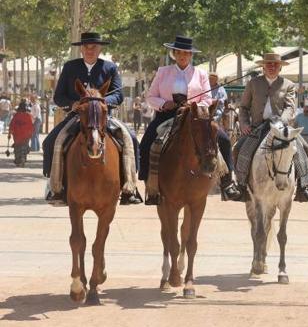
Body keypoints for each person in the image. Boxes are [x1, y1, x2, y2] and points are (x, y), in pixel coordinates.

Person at [43, 32, 142, 204]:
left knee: (131, 138)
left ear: (99, 48)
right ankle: (55, 187)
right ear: (81, 48)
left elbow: (118, 94)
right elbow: (59, 96)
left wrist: (101, 102)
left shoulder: (109, 67)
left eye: (93, 47)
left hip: (104, 117)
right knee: (51, 141)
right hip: (76, 116)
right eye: (86, 47)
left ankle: (130, 188)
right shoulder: (70, 67)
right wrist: (73, 104)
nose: (90, 50)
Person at [139, 35, 241, 203]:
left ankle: (227, 182)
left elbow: (208, 99)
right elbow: (150, 97)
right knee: (146, 142)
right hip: (167, 114)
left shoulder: (200, 74)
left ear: (191, 55)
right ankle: (150, 186)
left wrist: (194, 106)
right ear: (174, 53)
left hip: (196, 117)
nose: (182, 56)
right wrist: (165, 104)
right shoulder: (163, 72)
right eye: (179, 52)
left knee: (223, 139)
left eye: (186, 53)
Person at [235, 52, 308, 202]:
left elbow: (290, 108)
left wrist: (282, 123)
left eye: (275, 65)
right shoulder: (253, 83)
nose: (272, 67)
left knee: (304, 147)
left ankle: (303, 187)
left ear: (280, 67)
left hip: (281, 127)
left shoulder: (288, 85)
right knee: (238, 148)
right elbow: (243, 107)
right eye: (269, 64)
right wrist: (244, 123)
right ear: (263, 67)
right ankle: (241, 185)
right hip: (258, 127)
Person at [8, 99, 33, 165]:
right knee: (24, 147)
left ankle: (17, 159)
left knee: (17, 148)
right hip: (25, 135)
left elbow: (12, 125)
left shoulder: (16, 116)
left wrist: (9, 133)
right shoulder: (28, 116)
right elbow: (31, 126)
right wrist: (30, 134)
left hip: (17, 135)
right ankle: (23, 158)